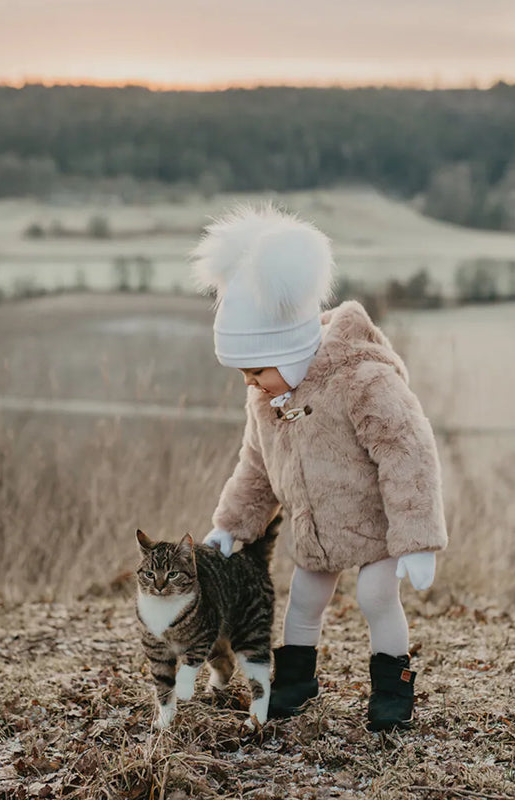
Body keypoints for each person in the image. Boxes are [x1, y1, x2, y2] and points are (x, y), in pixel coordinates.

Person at [191, 204, 448, 731]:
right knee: (304, 599)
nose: (250, 383)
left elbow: (409, 451)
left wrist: (417, 538)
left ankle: (391, 689)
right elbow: (257, 467)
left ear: (288, 349)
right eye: (244, 373)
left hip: (377, 525)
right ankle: (296, 682)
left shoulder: (361, 381)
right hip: (317, 528)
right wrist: (230, 526)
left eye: (257, 370)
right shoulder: (267, 399)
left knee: (377, 597)